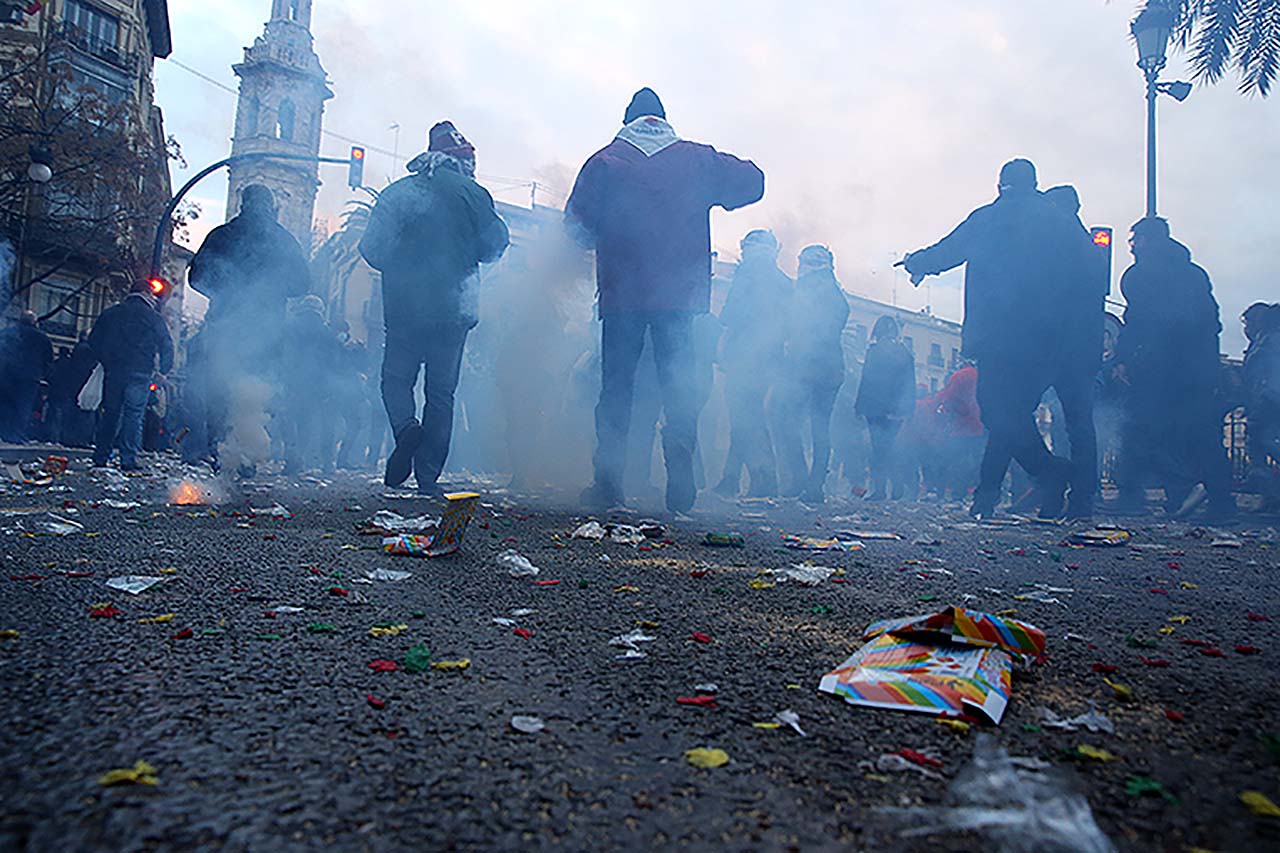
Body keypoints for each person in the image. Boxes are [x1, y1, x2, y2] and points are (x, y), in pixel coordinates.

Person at [565, 87, 764, 512]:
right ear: (663, 119)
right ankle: (680, 467)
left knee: (616, 388)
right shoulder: (698, 159)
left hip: (622, 298)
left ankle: (608, 481)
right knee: (678, 384)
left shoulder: (604, 161)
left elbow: (575, 228)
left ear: (627, 120)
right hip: (680, 298)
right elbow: (754, 182)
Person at [903, 159, 1089, 519]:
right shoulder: (1059, 222)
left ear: (1001, 185)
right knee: (1012, 414)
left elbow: (948, 250)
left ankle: (1048, 472)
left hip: (1002, 334)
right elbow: (1086, 271)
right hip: (1052, 336)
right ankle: (1015, 491)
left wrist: (916, 262)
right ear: (1035, 184)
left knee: (998, 411)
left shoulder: (989, 217)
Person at [359, 120, 510, 494]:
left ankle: (406, 429)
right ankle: (428, 476)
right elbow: (495, 244)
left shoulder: (397, 193)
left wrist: (401, 267)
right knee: (441, 393)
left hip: (404, 308)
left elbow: (370, 248)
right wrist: (463, 255)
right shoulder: (473, 194)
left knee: (396, 380)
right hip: (453, 310)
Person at [1112, 217, 1235, 521]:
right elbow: (1212, 321)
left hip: (1158, 370)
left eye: (1135, 240)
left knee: (1139, 431)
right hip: (1196, 370)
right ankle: (1218, 500)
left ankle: (1134, 496)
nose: (1131, 247)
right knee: (1201, 435)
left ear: (1146, 240)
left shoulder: (1141, 275)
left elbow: (1138, 321)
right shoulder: (1194, 274)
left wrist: (1124, 357)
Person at [188, 184, 311, 475]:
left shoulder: (221, 235)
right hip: (267, 329)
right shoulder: (284, 240)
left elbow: (196, 277)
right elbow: (303, 284)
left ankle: (218, 451)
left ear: (242, 204)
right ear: (272, 206)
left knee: (220, 386)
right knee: (257, 390)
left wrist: (223, 292)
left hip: (225, 324)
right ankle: (246, 458)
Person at [714, 229, 792, 498]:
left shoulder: (746, 274)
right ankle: (732, 477)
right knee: (749, 416)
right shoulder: (784, 281)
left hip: (744, 358)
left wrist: (723, 347)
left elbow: (731, 316)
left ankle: (763, 479)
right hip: (770, 360)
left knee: (745, 418)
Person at [774, 245, 851, 504]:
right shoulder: (838, 294)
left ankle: (799, 478)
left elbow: (795, 327)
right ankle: (815, 484)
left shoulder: (805, 291)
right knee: (820, 426)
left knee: (784, 417)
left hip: (805, 367)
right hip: (832, 369)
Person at [86, 284, 174, 470]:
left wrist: (106, 359)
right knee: (133, 415)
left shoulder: (111, 313)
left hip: (115, 371)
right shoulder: (153, 317)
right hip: (140, 371)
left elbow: (93, 340)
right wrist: (164, 369)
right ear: (146, 294)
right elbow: (166, 343)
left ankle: (101, 456)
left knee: (110, 413)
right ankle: (128, 459)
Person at [854, 315, 916, 500]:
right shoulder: (905, 353)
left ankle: (880, 490)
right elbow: (909, 384)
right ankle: (896, 488)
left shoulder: (873, 352)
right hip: (896, 410)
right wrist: (908, 409)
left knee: (879, 449)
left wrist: (859, 406)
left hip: (875, 409)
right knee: (890, 448)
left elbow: (866, 381)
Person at [279, 295, 342, 473]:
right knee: (306, 422)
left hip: (292, 381)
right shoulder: (326, 331)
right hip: (316, 385)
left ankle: (291, 459)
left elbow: (283, 353)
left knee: (289, 419)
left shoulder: (290, 326)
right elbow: (333, 361)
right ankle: (303, 458)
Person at [1241, 302, 1280, 507]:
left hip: (1268, 401)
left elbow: (1260, 375)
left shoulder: (1268, 342)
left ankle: (1271, 494)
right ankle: (1271, 495)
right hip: (1267, 400)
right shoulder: (1265, 341)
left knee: (1260, 443)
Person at [0, 310, 53, 442]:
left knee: (5, 404)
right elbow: (48, 360)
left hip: (7, 374)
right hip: (30, 377)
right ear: (34, 322)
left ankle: (3, 432)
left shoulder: (7, 333)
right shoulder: (42, 337)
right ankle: (16, 435)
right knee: (23, 407)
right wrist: (43, 375)